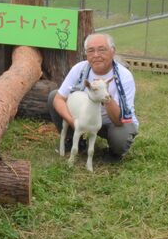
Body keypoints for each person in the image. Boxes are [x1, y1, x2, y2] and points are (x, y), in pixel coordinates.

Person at [48, 33, 139, 161]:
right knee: (53, 96)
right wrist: (73, 121)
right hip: (84, 118)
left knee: (121, 135)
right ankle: (74, 140)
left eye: (102, 49)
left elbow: (119, 120)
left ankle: (114, 153)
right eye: (91, 50)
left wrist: (105, 95)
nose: (96, 55)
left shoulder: (124, 77)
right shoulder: (79, 69)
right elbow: (59, 99)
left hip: (112, 122)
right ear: (86, 54)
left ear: (113, 51)